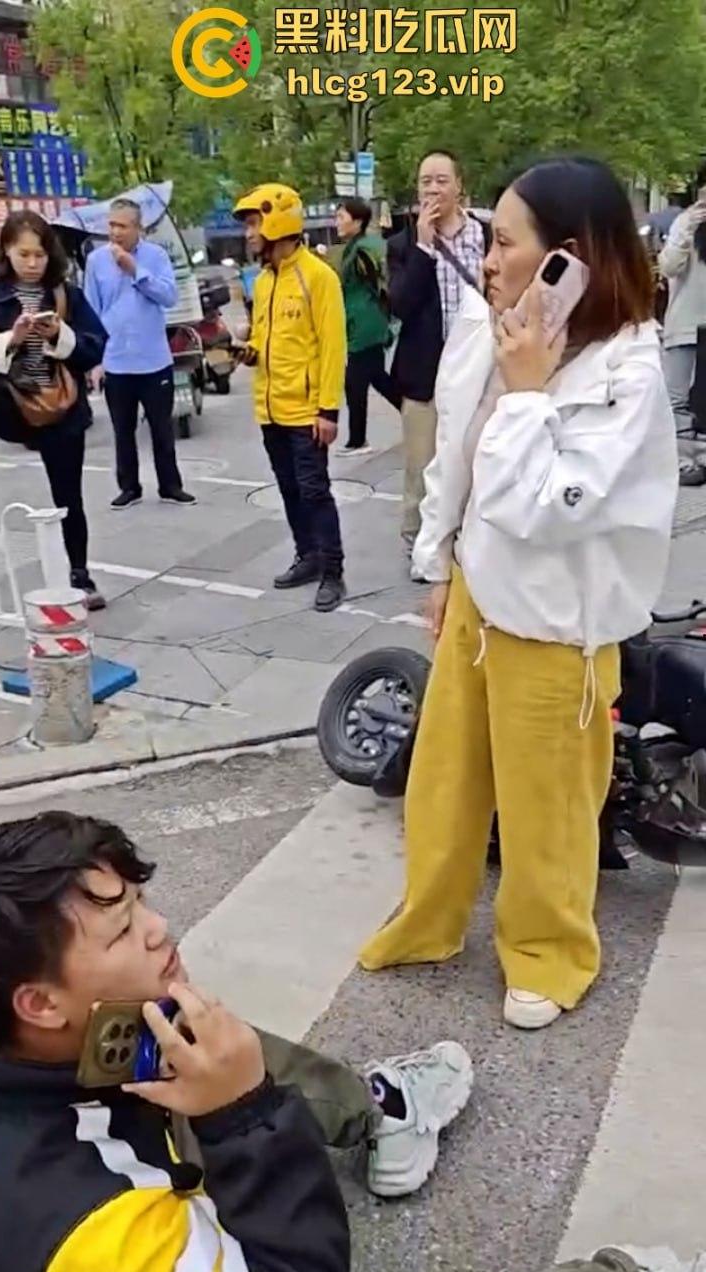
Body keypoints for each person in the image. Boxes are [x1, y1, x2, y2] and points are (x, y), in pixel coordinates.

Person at [359, 157, 678, 1030]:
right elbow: (455, 454)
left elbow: (546, 507)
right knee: (444, 782)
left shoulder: (626, 371)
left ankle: (549, 951)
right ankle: (428, 919)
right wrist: (440, 566)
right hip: (478, 596)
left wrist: (530, 395)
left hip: (556, 625)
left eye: (504, 243)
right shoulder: (503, 328)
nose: (489, 260)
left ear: (568, 258)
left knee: (547, 808)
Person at [0, 812, 473, 1272]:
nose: (158, 927)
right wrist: (244, 1116)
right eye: (123, 931)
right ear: (39, 1004)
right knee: (199, 1046)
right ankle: (381, 1113)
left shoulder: (41, 1033)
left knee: (182, 1028)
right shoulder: (99, 1232)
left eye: (140, 903)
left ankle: (368, 1107)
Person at [233, 183, 348, 613]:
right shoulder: (264, 281)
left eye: (254, 223)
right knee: (289, 489)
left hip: (306, 411)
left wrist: (328, 410)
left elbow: (333, 347)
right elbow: (264, 336)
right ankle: (308, 556)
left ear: (278, 221)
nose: (249, 233)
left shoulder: (318, 277)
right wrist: (249, 351)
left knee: (315, 491)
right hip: (270, 408)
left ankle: (333, 571)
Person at [0, 211, 107, 610]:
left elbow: (95, 346)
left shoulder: (66, 294)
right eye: (24, 254)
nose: (32, 263)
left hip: (61, 406)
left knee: (69, 496)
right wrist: (11, 338)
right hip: (8, 404)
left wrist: (60, 335)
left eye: (39, 255)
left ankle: (80, 574)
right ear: (7, 250)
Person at [387, 150, 487, 560]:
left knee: (475, 459)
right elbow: (401, 305)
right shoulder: (402, 244)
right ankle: (418, 543)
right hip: (425, 371)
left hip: (479, 369)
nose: (433, 189)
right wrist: (424, 249)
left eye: (442, 180)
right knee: (421, 464)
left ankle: (467, 540)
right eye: (425, 181)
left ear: (459, 185)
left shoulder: (486, 235)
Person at [84, 198, 196, 510]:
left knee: (162, 429)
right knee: (123, 431)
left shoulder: (155, 256)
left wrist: (135, 270)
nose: (115, 232)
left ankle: (170, 486)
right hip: (116, 361)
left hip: (154, 360)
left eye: (122, 226)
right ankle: (129, 487)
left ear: (138, 228)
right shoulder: (95, 261)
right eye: (112, 225)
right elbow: (91, 311)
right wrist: (95, 360)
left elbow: (169, 296)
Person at [335, 196, 401, 456]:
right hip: (365, 322)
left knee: (356, 381)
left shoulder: (363, 250)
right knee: (376, 378)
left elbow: (378, 282)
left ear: (357, 221)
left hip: (365, 324)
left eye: (341, 217)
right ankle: (417, 415)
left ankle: (357, 440)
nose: (337, 222)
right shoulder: (360, 246)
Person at [659, 165, 706, 487]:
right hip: (686, 323)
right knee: (676, 397)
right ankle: (680, 460)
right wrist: (689, 227)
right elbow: (668, 266)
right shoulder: (685, 222)